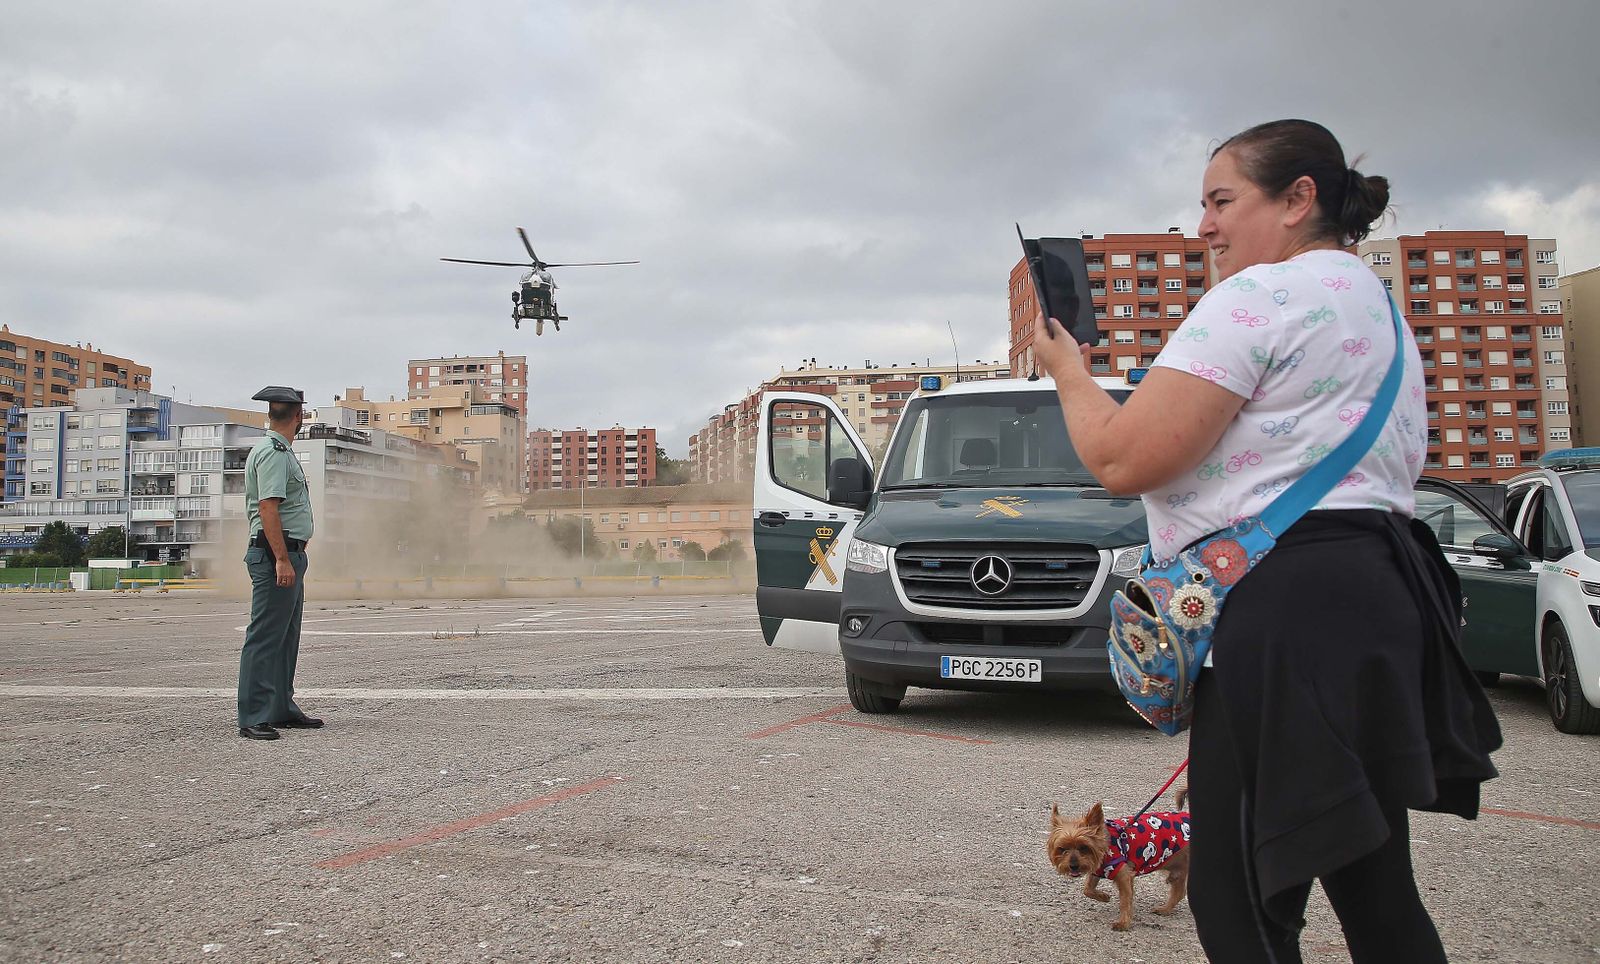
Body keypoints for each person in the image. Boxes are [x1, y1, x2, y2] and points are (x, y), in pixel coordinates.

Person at [1030, 119, 1501, 963]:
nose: (1205, 225)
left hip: (1281, 609)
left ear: (1298, 200)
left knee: (1238, 895)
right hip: (1382, 590)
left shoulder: (1257, 296)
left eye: (1221, 201)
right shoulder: (1376, 308)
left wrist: (1066, 368)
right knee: (1372, 881)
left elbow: (1122, 456)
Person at [237, 385, 322, 741]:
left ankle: (280, 707)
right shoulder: (273, 453)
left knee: (286, 637)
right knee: (265, 637)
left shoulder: (280, 450)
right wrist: (282, 560)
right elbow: (268, 508)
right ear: (299, 416)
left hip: (288, 553)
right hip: (277, 554)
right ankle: (255, 713)